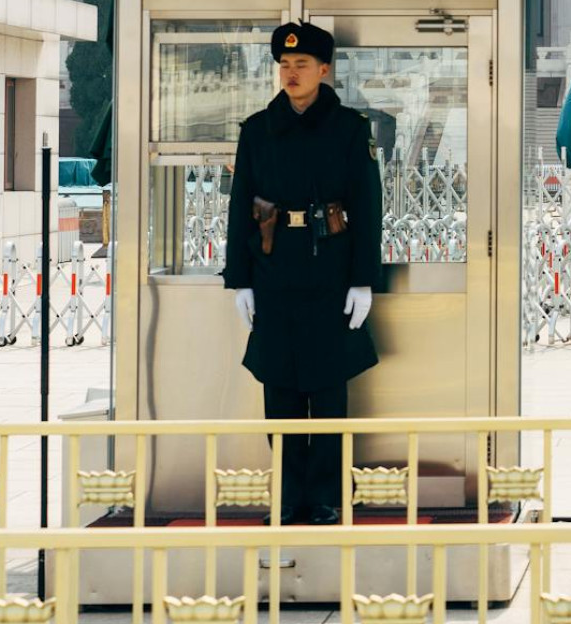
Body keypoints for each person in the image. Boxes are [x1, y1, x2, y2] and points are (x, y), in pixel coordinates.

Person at [222, 20, 382, 525]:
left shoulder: (350, 129)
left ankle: (328, 496)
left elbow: (368, 206)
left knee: (329, 388)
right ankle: (290, 496)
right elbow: (239, 205)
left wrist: (363, 279)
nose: (291, 73)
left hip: (331, 269)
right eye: (285, 65)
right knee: (281, 388)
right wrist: (240, 279)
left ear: (323, 69)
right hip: (274, 268)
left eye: (302, 65)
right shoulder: (257, 128)